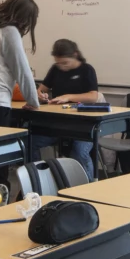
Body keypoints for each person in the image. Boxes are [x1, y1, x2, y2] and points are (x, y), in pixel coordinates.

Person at [37, 38, 102, 178]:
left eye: (65, 63)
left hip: (84, 125)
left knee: (79, 152)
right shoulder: (55, 69)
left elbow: (93, 96)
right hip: (58, 123)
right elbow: (41, 89)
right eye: (58, 63)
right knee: (30, 142)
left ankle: (88, 185)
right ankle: (38, 180)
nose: (62, 67)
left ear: (75, 55)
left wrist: (68, 97)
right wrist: (41, 95)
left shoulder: (87, 70)